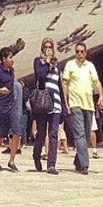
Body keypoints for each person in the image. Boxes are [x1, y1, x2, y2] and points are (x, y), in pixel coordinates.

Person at [61, 42, 103, 175]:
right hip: (76, 104)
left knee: (85, 134)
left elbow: (96, 82)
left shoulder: (90, 66)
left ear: (85, 53)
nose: (79, 54)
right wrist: (67, 102)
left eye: (82, 52)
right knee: (80, 134)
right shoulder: (70, 65)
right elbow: (65, 84)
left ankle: (78, 162)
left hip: (89, 105)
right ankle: (84, 165)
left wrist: (101, 96)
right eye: (77, 51)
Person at [32, 37, 64, 174]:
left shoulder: (57, 66)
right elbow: (41, 76)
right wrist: (47, 64)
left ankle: (52, 164)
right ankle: (36, 155)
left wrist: (63, 105)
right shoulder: (38, 62)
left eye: (50, 47)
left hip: (55, 103)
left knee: (53, 134)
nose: (48, 49)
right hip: (43, 103)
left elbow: (60, 86)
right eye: (45, 47)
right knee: (41, 133)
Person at [0, 47, 20, 171]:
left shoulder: (11, 71)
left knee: (17, 132)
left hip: (11, 105)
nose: (12, 60)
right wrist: (0, 91)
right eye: (10, 58)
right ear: (3, 59)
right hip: (0, 107)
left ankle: (11, 161)